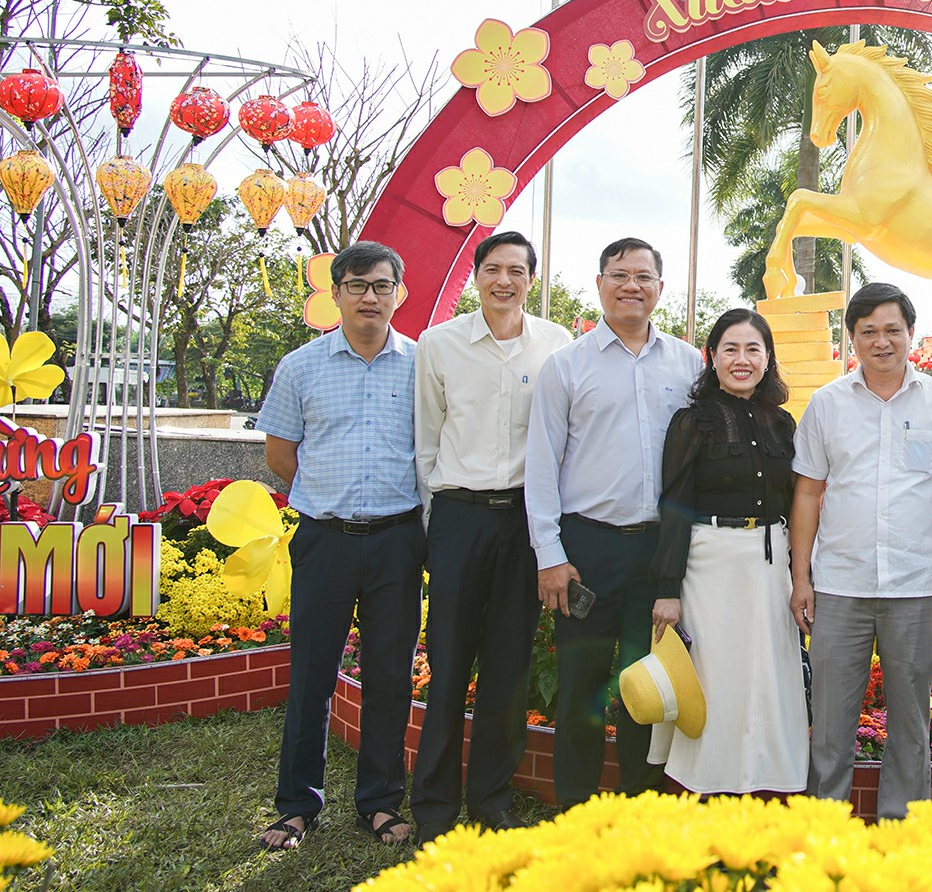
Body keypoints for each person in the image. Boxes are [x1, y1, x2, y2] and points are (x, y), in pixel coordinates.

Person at [255, 241, 422, 851]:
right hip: (324, 540)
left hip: (398, 541)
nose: (369, 296)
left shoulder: (422, 365)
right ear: (336, 293)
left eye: (381, 285)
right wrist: (327, 492)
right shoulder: (301, 366)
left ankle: (379, 802)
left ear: (399, 293)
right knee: (312, 673)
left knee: (390, 675)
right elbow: (281, 454)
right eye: (357, 285)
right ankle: (297, 805)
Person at [525, 238, 703, 807]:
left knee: (646, 682)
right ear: (599, 283)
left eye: (643, 276)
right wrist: (550, 556)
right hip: (588, 548)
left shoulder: (688, 363)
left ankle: (638, 806)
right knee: (581, 681)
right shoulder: (566, 365)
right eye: (619, 274)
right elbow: (541, 466)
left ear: (660, 288)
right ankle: (576, 807)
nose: (632, 286)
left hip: (659, 551)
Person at [790, 282, 932, 818]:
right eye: (868, 331)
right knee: (830, 725)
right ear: (852, 339)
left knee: (911, 725)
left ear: (911, 334)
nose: (881, 341)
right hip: (839, 586)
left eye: (892, 329)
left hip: (915, 587)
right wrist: (801, 579)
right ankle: (825, 832)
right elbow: (807, 493)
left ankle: (902, 833)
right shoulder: (827, 404)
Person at [410, 230, 572, 843]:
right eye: (493, 269)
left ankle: (491, 799)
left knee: (508, 664)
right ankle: (433, 805)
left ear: (532, 278)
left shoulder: (555, 345)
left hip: (524, 520)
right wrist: (437, 524)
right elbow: (427, 441)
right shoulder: (439, 344)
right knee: (448, 662)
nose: (505, 281)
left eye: (517, 271)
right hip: (459, 515)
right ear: (476, 275)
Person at [650, 308, 807, 792]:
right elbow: (674, 506)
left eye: (753, 349)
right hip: (710, 566)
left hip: (771, 565)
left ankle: (768, 779)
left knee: (769, 673)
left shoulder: (783, 423)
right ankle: (706, 782)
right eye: (731, 349)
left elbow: (799, 501)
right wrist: (667, 589)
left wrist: (803, 577)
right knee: (715, 676)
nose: (742, 360)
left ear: (768, 359)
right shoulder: (692, 422)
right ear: (712, 356)